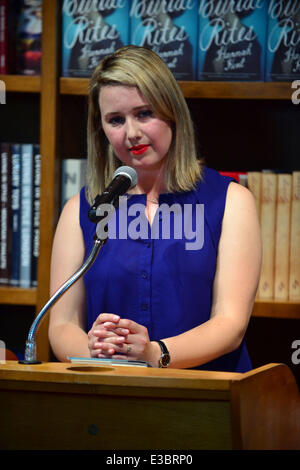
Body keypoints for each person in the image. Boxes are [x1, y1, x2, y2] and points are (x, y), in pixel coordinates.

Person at [49, 45, 261, 371]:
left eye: (144, 113)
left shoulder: (232, 201)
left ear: (171, 111)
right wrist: (98, 352)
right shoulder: (82, 209)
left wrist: (152, 354)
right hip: (111, 399)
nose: (131, 133)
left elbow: (230, 324)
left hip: (208, 400)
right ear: (101, 129)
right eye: (116, 120)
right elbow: (61, 326)